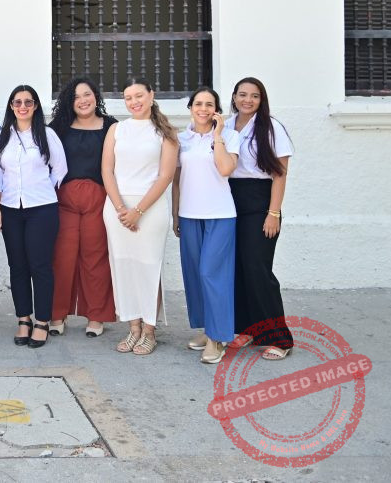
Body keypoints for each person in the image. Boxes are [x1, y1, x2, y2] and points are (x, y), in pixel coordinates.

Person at [101, 77, 177, 356]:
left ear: (151, 95)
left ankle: (149, 330)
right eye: (128, 98)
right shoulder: (116, 129)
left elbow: (165, 176)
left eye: (139, 96)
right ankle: (133, 328)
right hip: (117, 209)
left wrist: (138, 211)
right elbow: (107, 170)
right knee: (123, 266)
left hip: (150, 210)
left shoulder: (165, 132)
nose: (134, 102)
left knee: (148, 267)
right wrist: (121, 208)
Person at [0, 85, 67, 349]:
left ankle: (42, 321)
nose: (22, 107)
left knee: (40, 265)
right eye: (17, 102)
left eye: (28, 102)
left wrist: (42, 189)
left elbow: (60, 169)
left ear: (35, 106)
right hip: (11, 208)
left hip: (42, 209)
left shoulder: (47, 134)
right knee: (18, 266)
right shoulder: (3, 136)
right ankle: (24, 319)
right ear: (11, 106)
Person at [225, 77, 295, 361]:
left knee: (258, 270)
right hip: (230, 201)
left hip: (260, 203)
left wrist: (273, 213)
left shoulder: (272, 127)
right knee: (238, 268)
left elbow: (280, 174)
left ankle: (279, 338)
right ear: (234, 97)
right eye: (242, 94)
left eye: (254, 96)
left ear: (261, 100)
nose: (248, 100)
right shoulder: (226, 126)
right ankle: (247, 329)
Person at [172, 87, 241, 365]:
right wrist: (176, 215)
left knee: (212, 273)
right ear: (190, 107)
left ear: (217, 110)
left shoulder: (230, 136)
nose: (203, 109)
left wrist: (218, 136)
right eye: (198, 103)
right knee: (194, 275)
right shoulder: (181, 139)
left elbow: (225, 169)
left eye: (209, 104)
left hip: (220, 214)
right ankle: (207, 328)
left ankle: (217, 338)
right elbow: (176, 181)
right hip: (189, 214)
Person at [48, 78, 117, 338]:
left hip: (98, 200)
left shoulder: (111, 126)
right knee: (62, 257)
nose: (83, 100)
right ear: (69, 101)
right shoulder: (57, 128)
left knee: (95, 257)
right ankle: (57, 314)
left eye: (87, 94)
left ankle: (96, 316)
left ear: (95, 96)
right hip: (63, 201)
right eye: (76, 97)